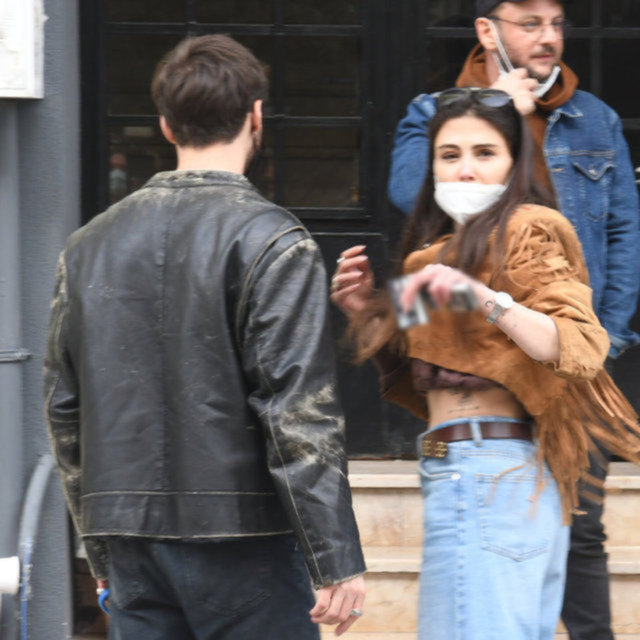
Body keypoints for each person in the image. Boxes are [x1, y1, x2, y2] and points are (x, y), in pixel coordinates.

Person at [44, 34, 365, 640]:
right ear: (256, 116)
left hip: (130, 537)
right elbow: (298, 411)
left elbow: (64, 408)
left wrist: (100, 547)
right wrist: (335, 557)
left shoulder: (86, 246)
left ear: (167, 125)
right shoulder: (275, 240)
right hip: (247, 544)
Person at [331, 88, 640, 640]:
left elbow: (578, 342)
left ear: (515, 162)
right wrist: (363, 309)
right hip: (459, 462)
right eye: (449, 155)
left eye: (485, 152)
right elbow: (423, 378)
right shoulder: (432, 257)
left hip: (490, 471)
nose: (466, 170)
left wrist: (488, 300)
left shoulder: (526, 229)